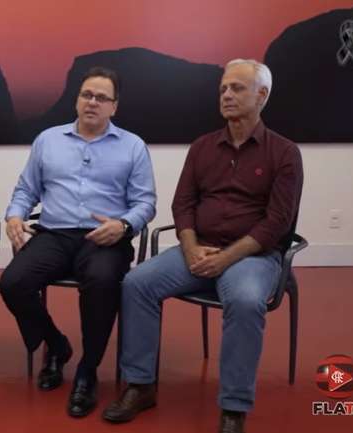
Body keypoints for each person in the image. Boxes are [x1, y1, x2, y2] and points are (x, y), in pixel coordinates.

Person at [104, 59, 303, 433]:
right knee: (137, 284)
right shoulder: (202, 147)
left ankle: (233, 407)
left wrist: (226, 258)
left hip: (253, 257)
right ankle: (140, 385)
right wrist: (192, 248)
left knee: (244, 301)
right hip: (198, 250)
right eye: (223, 88)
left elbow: (277, 222)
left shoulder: (284, 153)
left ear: (262, 95)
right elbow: (183, 204)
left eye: (237, 88)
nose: (226, 95)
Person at [0, 66, 156, 418]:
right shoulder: (48, 140)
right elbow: (27, 190)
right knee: (12, 283)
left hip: (105, 237)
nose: (93, 102)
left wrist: (123, 224)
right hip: (54, 233)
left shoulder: (132, 146)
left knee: (102, 282)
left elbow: (146, 203)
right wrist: (14, 215)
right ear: (77, 99)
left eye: (102, 98)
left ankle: (88, 370)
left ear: (114, 106)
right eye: (87, 95)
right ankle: (57, 345)